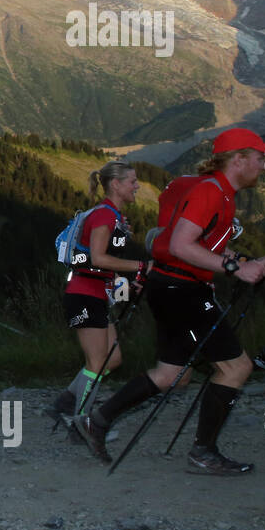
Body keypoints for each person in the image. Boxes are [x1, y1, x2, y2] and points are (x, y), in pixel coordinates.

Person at [74, 129, 265, 474]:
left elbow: (203, 243)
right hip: (183, 290)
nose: (264, 165)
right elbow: (181, 246)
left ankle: (97, 421)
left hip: (170, 287)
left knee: (172, 374)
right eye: (260, 158)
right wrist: (234, 268)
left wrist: (245, 263)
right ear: (239, 159)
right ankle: (204, 453)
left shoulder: (221, 194)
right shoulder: (210, 192)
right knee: (236, 367)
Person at [52, 161, 148, 420]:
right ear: (116, 185)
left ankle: (64, 403)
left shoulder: (113, 215)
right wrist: (142, 266)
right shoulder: (105, 215)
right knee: (96, 363)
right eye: (132, 181)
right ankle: (82, 423)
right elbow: (97, 258)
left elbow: (106, 268)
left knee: (112, 359)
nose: (137, 186)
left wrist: (126, 288)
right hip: (83, 295)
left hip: (95, 294)